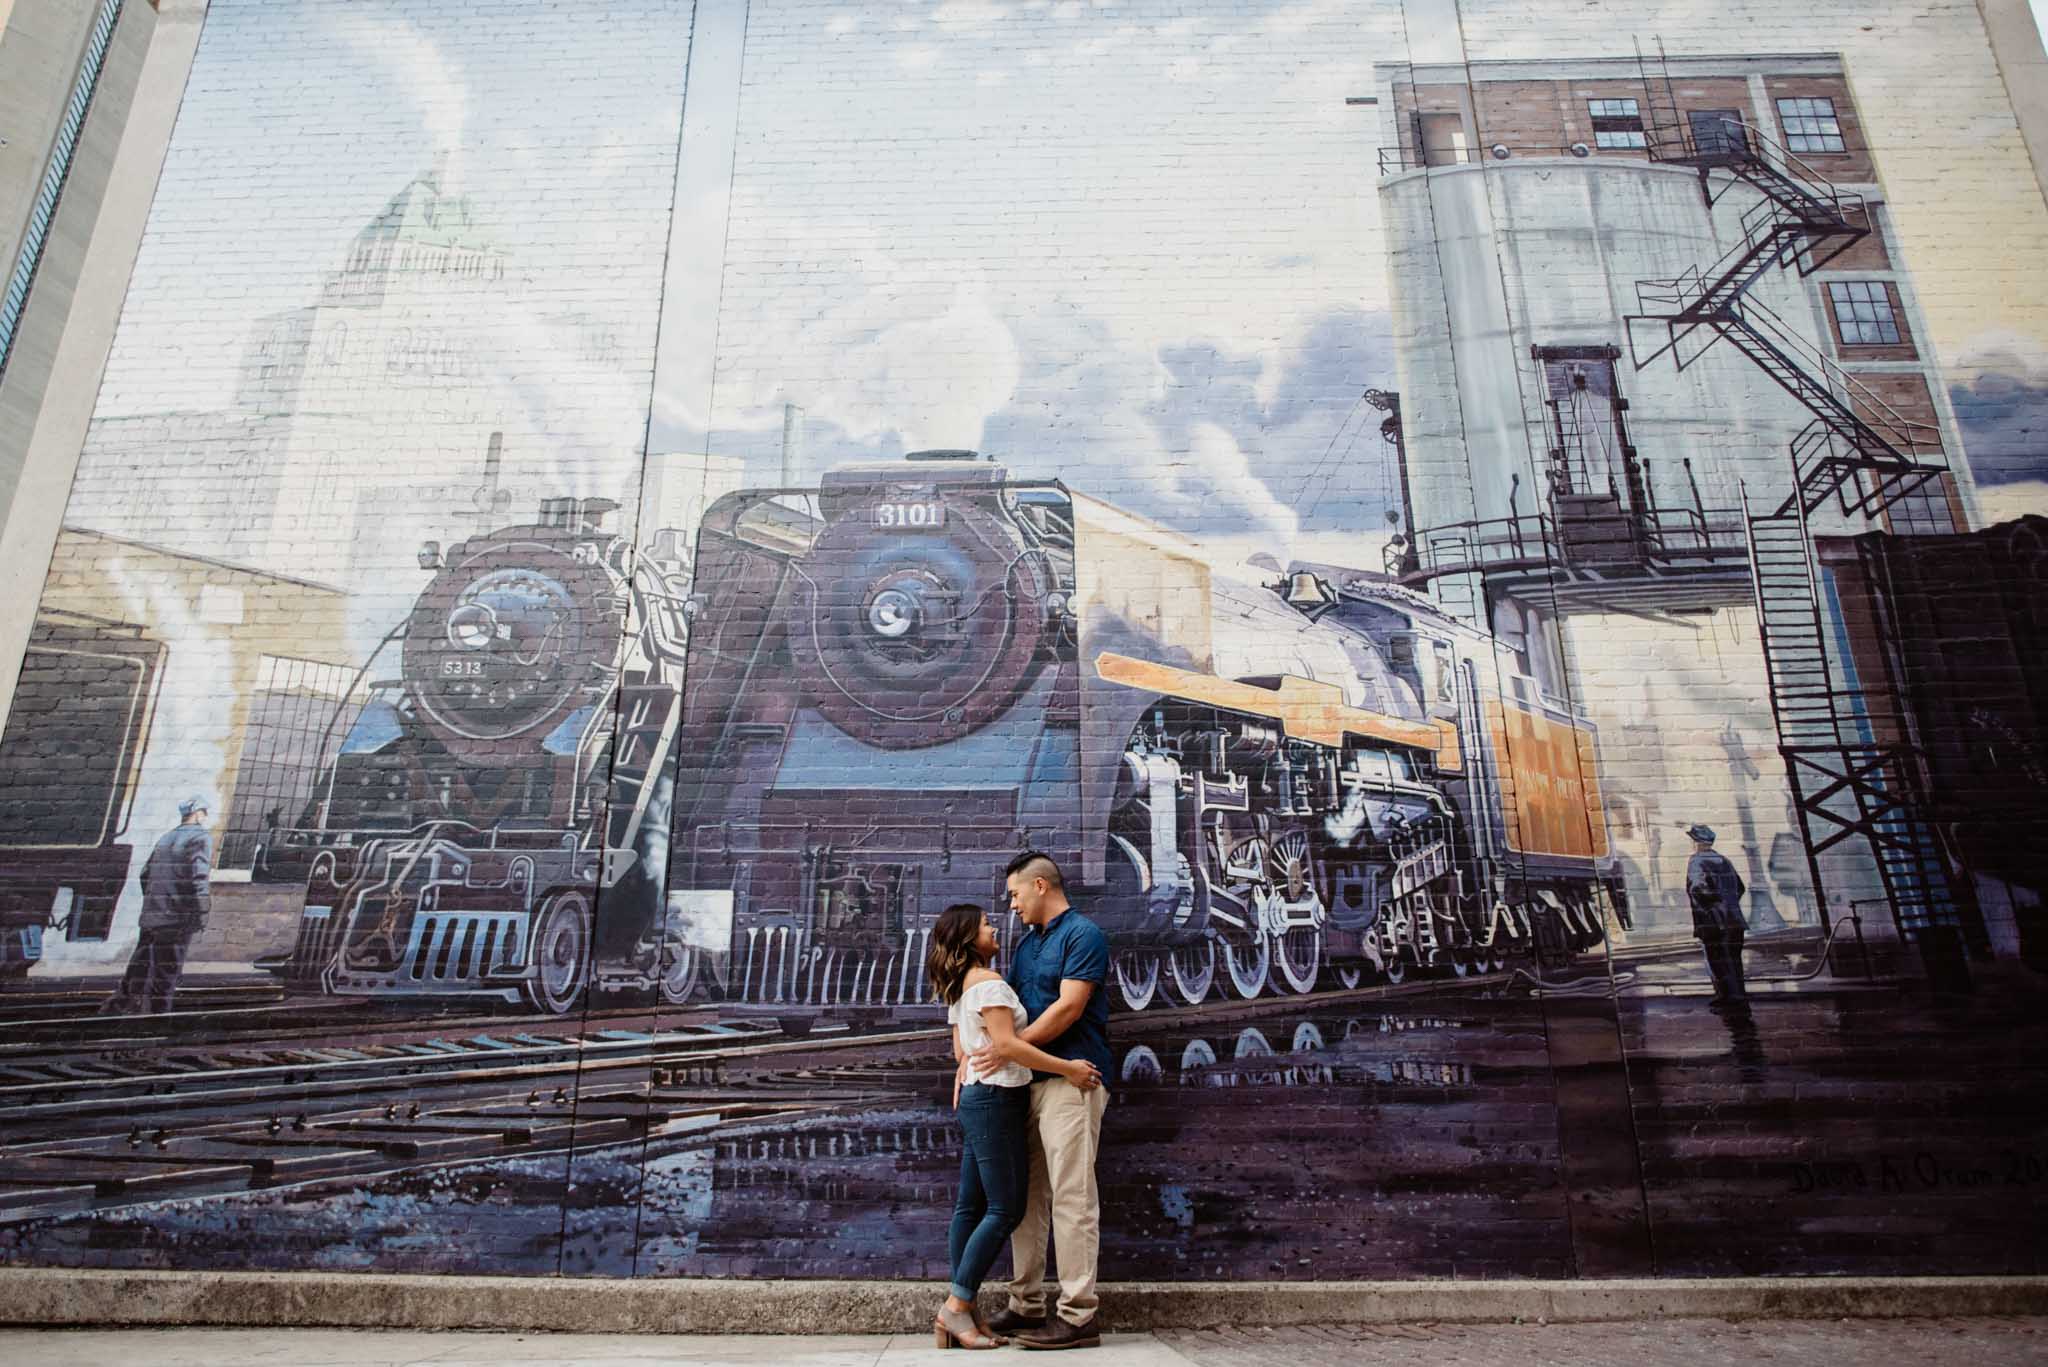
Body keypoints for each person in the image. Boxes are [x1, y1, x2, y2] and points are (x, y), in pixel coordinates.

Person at [927, 902, 1102, 1351]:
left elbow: (963, 1050)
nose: (996, 925)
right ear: (970, 939)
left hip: (977, 1099)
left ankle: (964, 1311)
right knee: (1005, 1209)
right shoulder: (989, 983)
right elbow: (1007, 1046)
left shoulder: (962, 987)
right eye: (986, 925)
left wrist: (966, 1072)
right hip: (996, 1100)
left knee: (970, 1207)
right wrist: (1068, 1069)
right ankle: (957, 1305)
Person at [969, 851, 1112, 1351]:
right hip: (1026, 1083)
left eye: (1015, 894)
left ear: (1041, 887)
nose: (1011, 905)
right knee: (1026, 1200)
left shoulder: (1083, 935)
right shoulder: (1028, 947)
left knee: (1073, 1196)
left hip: (1072, 1082)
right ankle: (1026, 1303)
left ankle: (1077, 1315)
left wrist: (1013, 1046)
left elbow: (1070, 1007)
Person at [100, 795, 213, 1016]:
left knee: (138, 968)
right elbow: (198, 878)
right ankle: (158, 1016)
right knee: (167, 971)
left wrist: (155, 902)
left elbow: (145, 874)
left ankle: (116, 1010)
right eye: (204, 812)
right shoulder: (200, 837)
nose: (205, 816)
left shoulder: (166, 837)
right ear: (198, 813)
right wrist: (201, 913)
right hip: (176, 919)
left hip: (152, 916)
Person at [1684, 822, 1749, 1004]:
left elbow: (1698, 888)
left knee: (1718, 963)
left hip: (1713, 923)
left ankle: (1727, 1000)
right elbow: (1741, 887)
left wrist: (1711, 908)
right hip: (1734, 921)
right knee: (1734, 963)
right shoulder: (1724, 860)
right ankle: (1739, 998)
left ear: (1697, 842)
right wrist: (1727, 904)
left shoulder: (1696, 860)